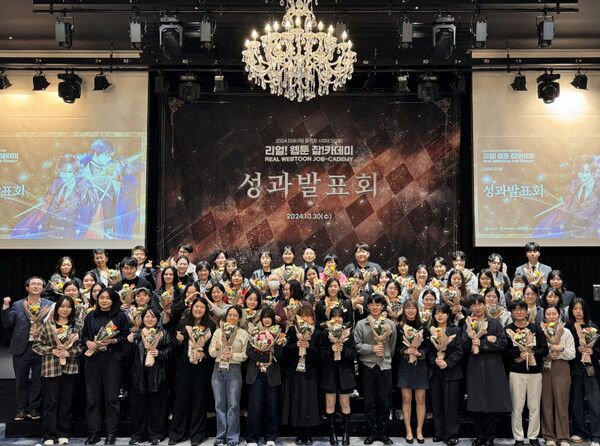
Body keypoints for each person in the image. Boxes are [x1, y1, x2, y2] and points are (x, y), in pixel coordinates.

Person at [32, 295, 82, 446]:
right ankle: (49, 435)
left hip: (69, 368)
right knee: (50, 402)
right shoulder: (48, 325)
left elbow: (81, 347)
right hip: (50, 368)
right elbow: (36, 345)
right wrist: (52, 350)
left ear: (72, 309)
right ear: (57, 308)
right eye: (62, 306)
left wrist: (70, 352)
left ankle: (63, 433)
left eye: (68, 307)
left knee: (66, 403)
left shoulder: (77, 326)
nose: (65, 309)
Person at [81, 287, 129, 445]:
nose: (104, 300)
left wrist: (114, 340)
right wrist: (88, 342)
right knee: (92, 398)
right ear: (97, 299)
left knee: (112, 398)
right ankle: (93, 433)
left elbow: (125, 337)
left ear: (113, 300)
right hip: (92, 360)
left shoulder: (119, 316)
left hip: (111, 360)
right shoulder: (90, 316)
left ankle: (111, 433)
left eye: (108, 298)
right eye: (101, 297)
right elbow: (84, 336)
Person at [1, 276, 54, 421]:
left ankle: (33, 408)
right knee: (20, 380)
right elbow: (7, 323)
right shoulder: (18, 304)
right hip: (21, 347)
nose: (36, 286)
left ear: (43, 288)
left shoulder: (50, 305)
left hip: (41, 347)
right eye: (33, 284)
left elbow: (53, 325)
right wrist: (5, 307)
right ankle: (21, 409)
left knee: (38, 380)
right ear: (27, 287)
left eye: (39, 284)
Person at [462, 294, 511, 446]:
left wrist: (482, 343)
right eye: (474, 305)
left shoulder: (494, 323)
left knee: (493, 402)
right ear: (470, 308)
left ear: (484, 305)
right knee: (476, 401)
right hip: (474, 365)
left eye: (480, 304)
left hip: (493, 365)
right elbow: (464, 344)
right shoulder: (468, 324)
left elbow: (503, 343)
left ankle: (490, 436)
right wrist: (476, 341)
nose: (477, 307)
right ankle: (479, 435)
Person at [168, 298, 216, 446]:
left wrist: (204, 354)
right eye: (196, 306)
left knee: (199, 401)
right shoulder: (183, 323)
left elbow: (214, 347)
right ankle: (177, 434)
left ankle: (197, 435)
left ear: (206, 310)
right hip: (184, 367)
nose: (198, 309)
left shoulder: (211, 325)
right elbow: (174, 346)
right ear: (191, 307)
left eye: (202, 307)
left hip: (202, 368)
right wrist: (178, 341)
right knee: (181, 401)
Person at [354, 295, 397, 445]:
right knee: (369, 401)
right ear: (367, 307)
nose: (375, 307)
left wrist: (384, 355)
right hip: (367, 367)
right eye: (371, 304)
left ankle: (383, 433)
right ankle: (372, 433)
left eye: (378, 304)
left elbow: (392, 347)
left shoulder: (390, 324)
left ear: (383, 306)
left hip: (385, 366)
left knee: (384, 401)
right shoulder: (361, 324)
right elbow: (357, 345)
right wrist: (372, 348)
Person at [125, 307, 172, 445]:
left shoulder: (163, 333)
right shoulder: (137, 334)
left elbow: (170, 351)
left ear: (158, 319)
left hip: (157, 375)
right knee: (138, 407)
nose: (150, 319)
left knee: (157, 407)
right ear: (142, 319)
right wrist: (129, 342)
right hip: (139, 374)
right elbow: (126, 355)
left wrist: (160, 353)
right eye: (147, 317)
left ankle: (155, 435)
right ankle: (137, 435)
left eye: (153, 317)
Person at [505, 300, 549, 446]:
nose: (519, 312)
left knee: (534, 406)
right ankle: (518, 438)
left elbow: (544, 349)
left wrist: (531, 353)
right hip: (516, 373)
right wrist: (519, 353)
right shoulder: (508, 329)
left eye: (521, 309)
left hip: (535, 373)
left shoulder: (535, 328)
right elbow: (505, 351)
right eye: (515, 310)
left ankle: (533, 436)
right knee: (517, 407)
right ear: (512, 313)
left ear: (526, 311)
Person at [209, 306, 250, 446]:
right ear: (225, 317)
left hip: (234, 368)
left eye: (235, 315)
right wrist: (218, 348)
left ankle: (232, 437)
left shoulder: (243, 333)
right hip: (218, 368)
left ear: (239, 318)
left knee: (233, 404)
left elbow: (245, 355)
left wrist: (232, 355)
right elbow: (211, 353)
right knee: (219, 404)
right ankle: (220, 437)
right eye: (229, 315)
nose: (231, 318)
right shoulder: (218, 331)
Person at [245, 306, 285, 446]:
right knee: (254, 407)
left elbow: (280, 355)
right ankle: (251, 438)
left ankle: (270, 437)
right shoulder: (254, 331)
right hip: (256, 374)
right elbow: (249, 352)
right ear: (261, 318)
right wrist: (266, 357)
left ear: (273, 319)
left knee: (272, 407)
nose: (267, 320)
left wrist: (277, 345)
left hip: (272, 374)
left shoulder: (278, 332)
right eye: (264, 317)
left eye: (269, 317)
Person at [281, 305, 321, 445]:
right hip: (294, 371)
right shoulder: (293, 330)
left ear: (313, 318)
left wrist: (309, 347)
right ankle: (298, 434)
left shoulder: (317, 333)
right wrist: (295, 345)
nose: (305, 319)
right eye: (302, 316)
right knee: (296, 402)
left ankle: (308, 434)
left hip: (310, 372)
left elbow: (320, 355)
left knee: (309, 403)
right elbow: (284, 352)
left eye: (308, 316)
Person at [320, 306, 356, 446]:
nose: (337, 320)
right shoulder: (325, 334)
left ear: (343, 319)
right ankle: (333, 434)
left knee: (345, 404)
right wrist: (332, 350)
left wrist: (343, 349)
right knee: (330, 405)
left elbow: (353, 354)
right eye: (334, 317)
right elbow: (321, 355)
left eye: (339, 317)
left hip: (344, 374)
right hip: (329, 374)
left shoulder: (348, 333)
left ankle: (346, 434)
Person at [566, 298, 600, 446]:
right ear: (571, 311)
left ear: (585, 310)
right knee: (576, 402)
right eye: (575, 309)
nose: (578, 312)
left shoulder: (593, 326)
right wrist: (576, 349)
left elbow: (599, 349)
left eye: (580, 308)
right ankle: (580, 432)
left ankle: (596, 435)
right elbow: (565, 348)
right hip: (575, 369)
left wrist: (593, 351)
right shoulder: (568, 327)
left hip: (591, 369)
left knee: (594, 402)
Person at [428, 304, 463, 446]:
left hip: (451, 372)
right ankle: (439, 433)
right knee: (437, 404)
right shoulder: (430, 330)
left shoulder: (456, 330)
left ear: (448, 315)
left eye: (442, 313)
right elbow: (428, 351)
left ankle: (452, 435)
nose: (439, 315)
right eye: (437, 313)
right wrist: (435, 360)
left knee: (451, 405)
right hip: (436, 372)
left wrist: (447, 362)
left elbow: (460, 351)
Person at [540, 305, 575, 446]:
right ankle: (549, 436)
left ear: (559, 315)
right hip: (545, 367)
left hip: (562, 367)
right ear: (544, 316)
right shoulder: (540, 331)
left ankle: (563, 436)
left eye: (554, 314)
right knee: (546, 402)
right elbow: (536, 350)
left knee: (562, 403)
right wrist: (547, 354)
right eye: (548, 314)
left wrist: (560, 348)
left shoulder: (566, 332)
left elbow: (572, 354)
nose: (551, 316)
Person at [397, 300, 429, 444]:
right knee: (406, 399)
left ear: (417, 310)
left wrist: (419, 352)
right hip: (405, 365)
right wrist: (405, 350)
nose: (410, 310)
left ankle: (419, 430)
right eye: (408, 308)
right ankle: (408, 430)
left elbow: (428, 348)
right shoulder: (399, 327)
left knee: (421, 399)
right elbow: (395, 348)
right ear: (404, 310)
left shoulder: (423, 327)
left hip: (420, 366)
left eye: (413, 308)